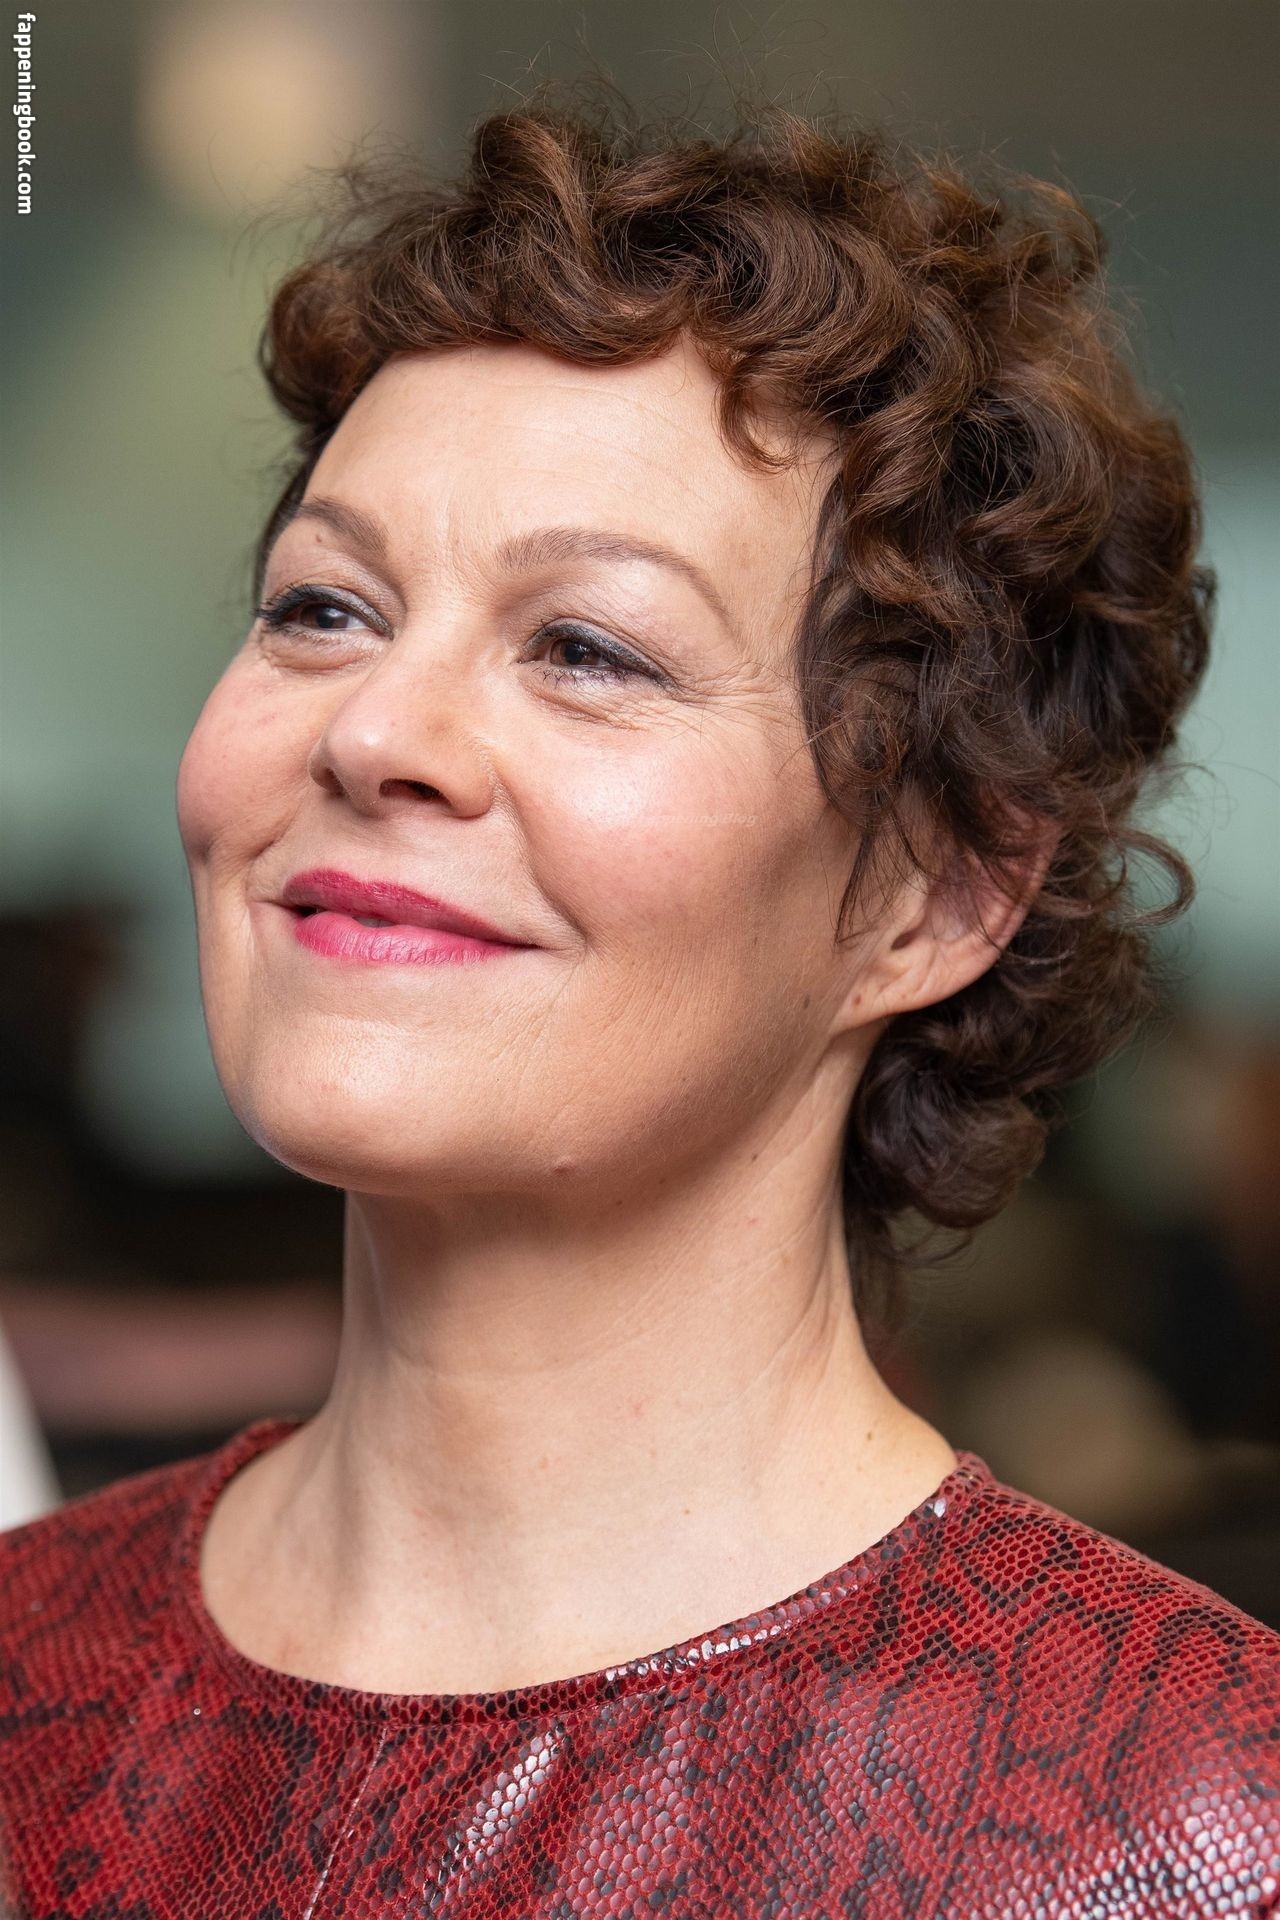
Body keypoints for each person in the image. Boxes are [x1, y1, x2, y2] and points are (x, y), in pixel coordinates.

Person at [2, 83, 1277, 1918]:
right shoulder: (26, 1667)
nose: (375, 732)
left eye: (587, 648)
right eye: (324, 609)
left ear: (935, 892)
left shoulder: (1183, 1818)